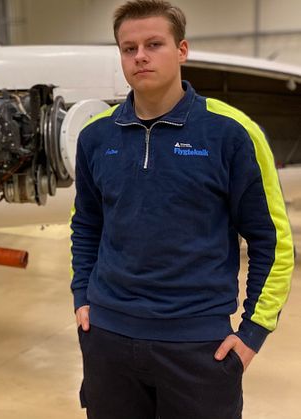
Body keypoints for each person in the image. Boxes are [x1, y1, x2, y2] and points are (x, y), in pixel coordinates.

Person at [70, 1, 294, 418]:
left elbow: (273, 241)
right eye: (128, 47)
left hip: (198, 349)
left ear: (182, 50)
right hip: (108, 341)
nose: (140, 56)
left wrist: (252, 334)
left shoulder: (233, 133)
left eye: (154, 44)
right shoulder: (95, 136)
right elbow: (86, 224)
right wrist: (83, 296)